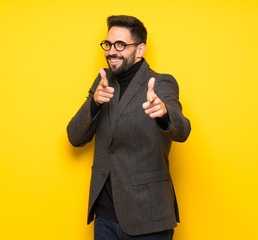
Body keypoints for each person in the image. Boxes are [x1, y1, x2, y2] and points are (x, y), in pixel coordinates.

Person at [67, 15, 191, 240]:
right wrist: (94, 104)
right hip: (105, 217)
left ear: (140, 49)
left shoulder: (161, 82)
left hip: (148, 217)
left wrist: (164, 115)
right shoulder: (102, 83)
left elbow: (182, 131)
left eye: (121, 45)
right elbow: (75, 137)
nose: (112, 51)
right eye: (108, 44)